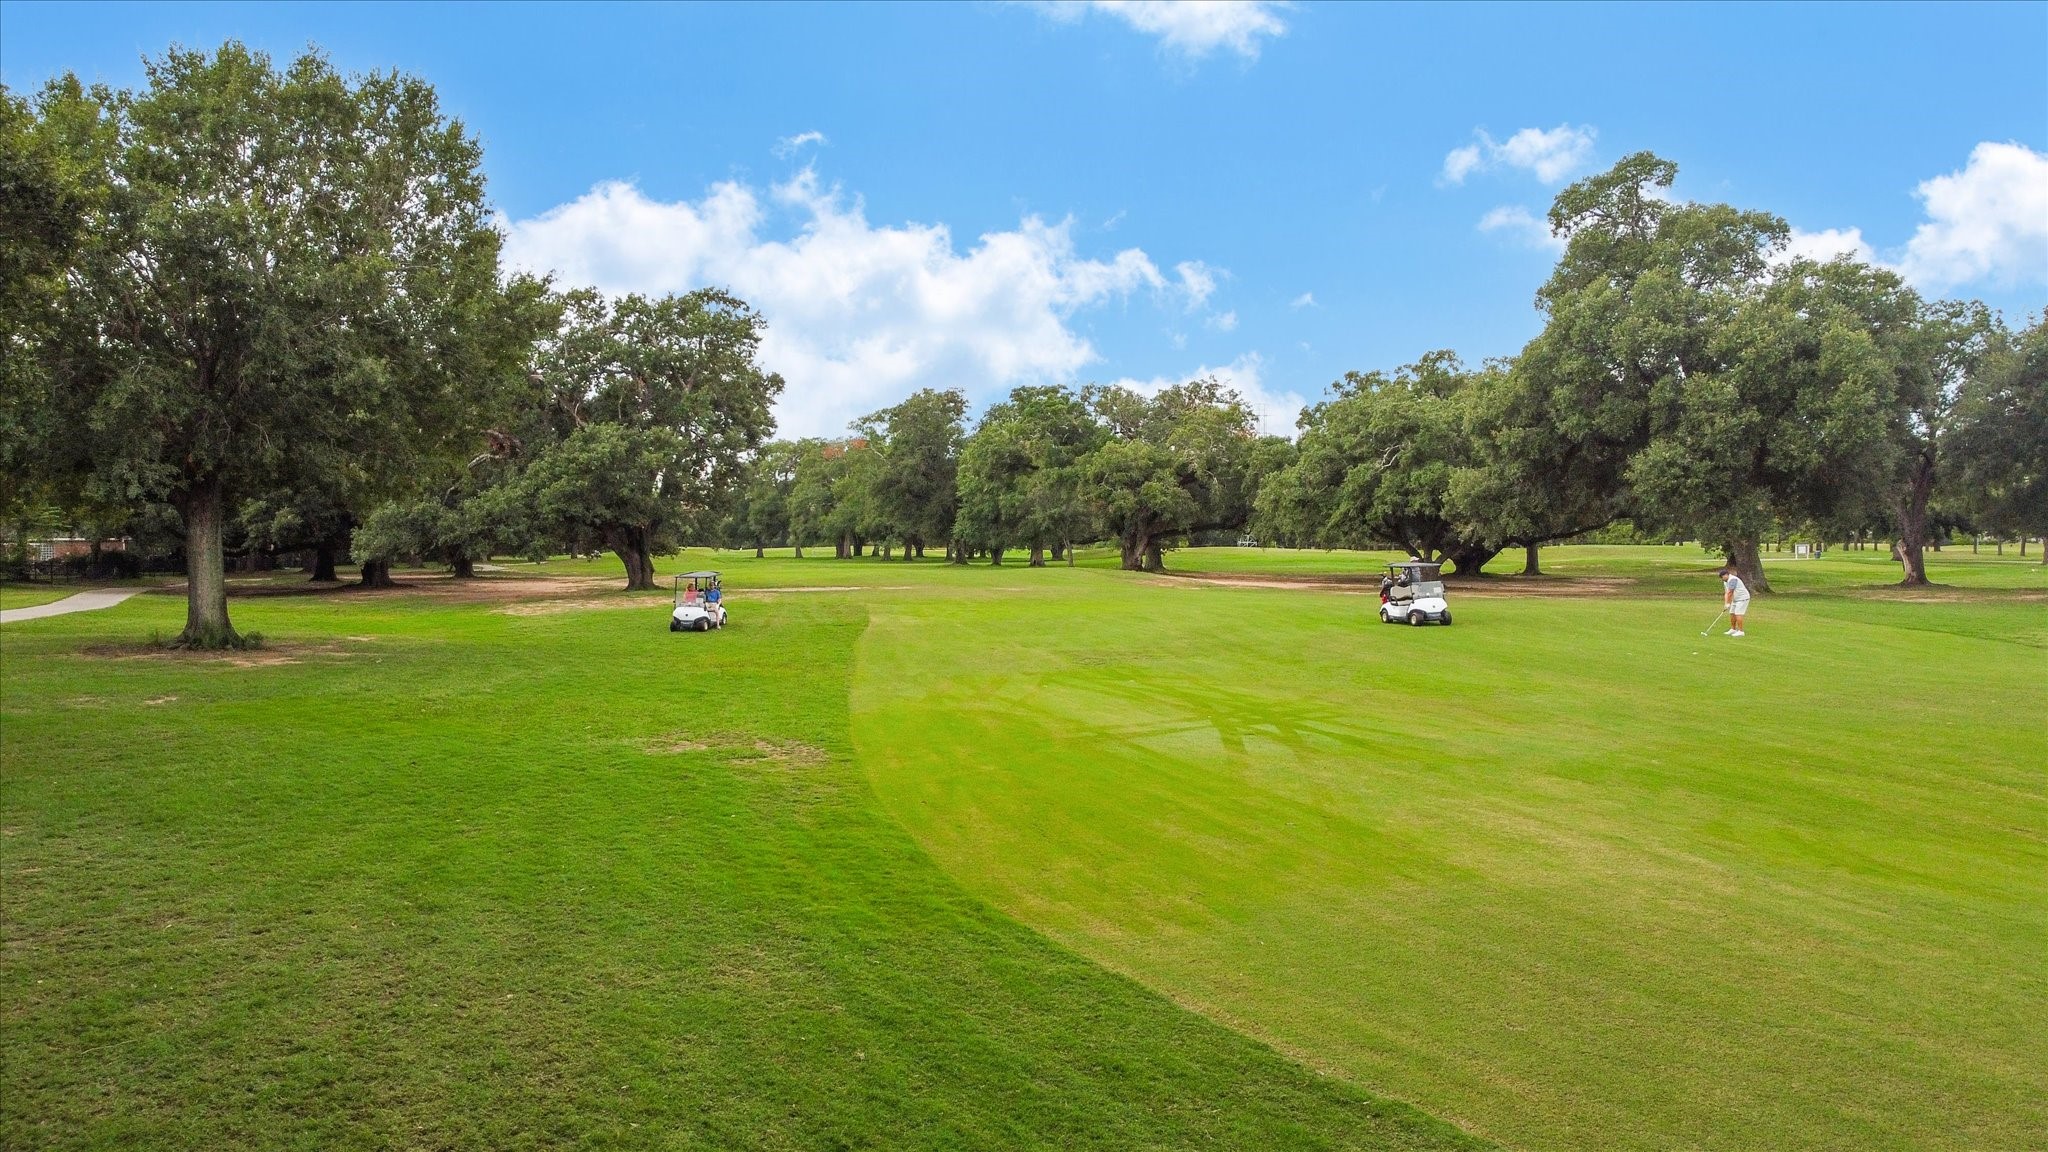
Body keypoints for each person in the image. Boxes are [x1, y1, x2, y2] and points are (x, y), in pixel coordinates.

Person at [1718, 565, 1750, 636]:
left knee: (1738, 613)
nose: (1722, 579)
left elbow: (1730, 592)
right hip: (1735, 599)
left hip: (1742, 598)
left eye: (1722, 577)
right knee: (1732, 613)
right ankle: (1733, 629)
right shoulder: (1725, 581)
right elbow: (1726, 593)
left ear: (1726, 575)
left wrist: (1728, 603)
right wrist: (1726, 604)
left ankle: (1741, 631)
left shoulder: (1732, 580)